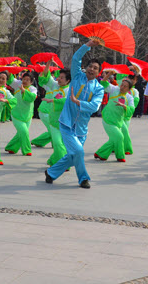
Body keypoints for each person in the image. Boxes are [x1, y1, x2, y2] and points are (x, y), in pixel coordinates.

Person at [44, 40, 104, 189]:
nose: (91, 69)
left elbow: (95, 106)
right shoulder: (77, 76)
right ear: (86, 67)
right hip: (67, 123)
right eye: (90, 66)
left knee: (73, 156)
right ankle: (83, 178)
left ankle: (51, 173)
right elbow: (76, 58)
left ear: (98, 72)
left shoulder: (99, 89)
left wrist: (78, 102)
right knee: (78, 151)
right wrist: (88, 44)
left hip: (81, 129)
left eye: (95, 68)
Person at [94, 71, 135, 162]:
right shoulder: (114, 89)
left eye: (125, 86)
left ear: (129, 89)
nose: (122, 87)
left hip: (118, 121)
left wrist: (124, 106)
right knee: (119, 137)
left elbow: (132, 109)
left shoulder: (129, 97)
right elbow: (103, 83)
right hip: (108, 118)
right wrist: (109, 74)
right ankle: (120, 156)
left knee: (114, 139)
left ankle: (101, 153)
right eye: (122, 85)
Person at [38, 62, 71, 166]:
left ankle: (53, 160)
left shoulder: (70, 90)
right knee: (57, 143)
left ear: (68, 80)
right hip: (53, 120)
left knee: (62, 145)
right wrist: (48, 64)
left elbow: (68, 101)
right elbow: (46, 77)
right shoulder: (54, 85)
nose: (59, 79)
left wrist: (53, 101)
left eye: (62, 77)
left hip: (65, 122)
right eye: (59, 77)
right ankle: (63, 164)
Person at [5, 72, 38, 156]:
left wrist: (24, 91)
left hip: (28, 115)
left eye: (27, 80)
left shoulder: (33, 89)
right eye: (24, 79)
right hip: (16, 113)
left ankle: (11, 147)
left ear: (31, 82)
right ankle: (27, 150)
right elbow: (10, 80)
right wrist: (10, 71)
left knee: (22, 132)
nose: (25, 81)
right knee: (24, 131)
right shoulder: (17, 84)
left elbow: (32, 98)